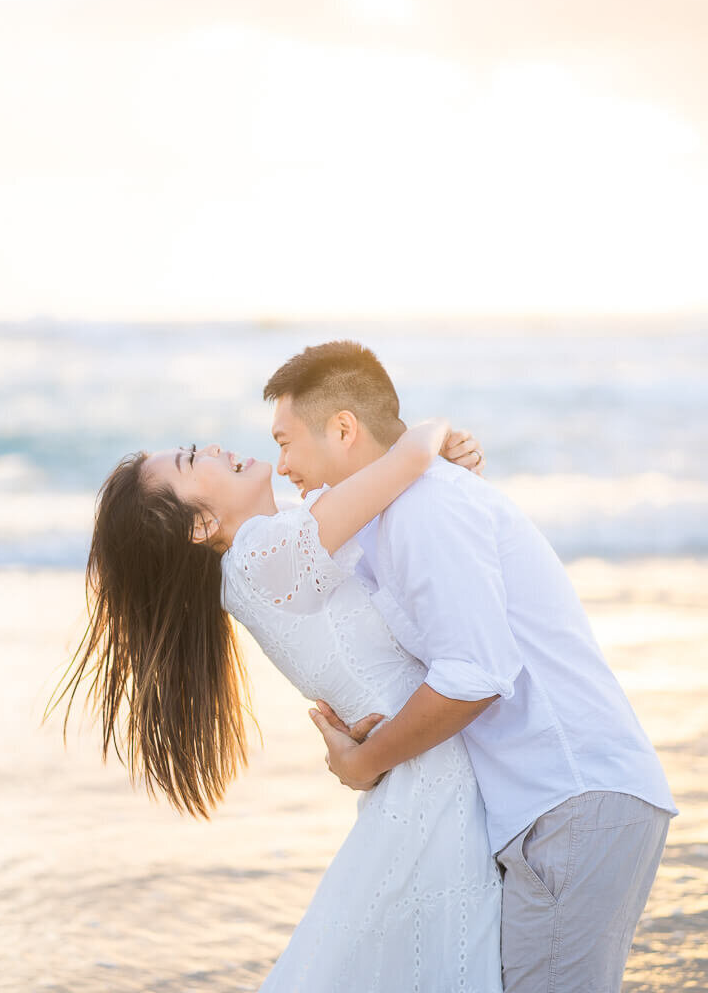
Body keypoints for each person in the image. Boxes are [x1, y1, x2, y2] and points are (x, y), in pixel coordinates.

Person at [262, 339, 678, 993]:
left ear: (342, 427)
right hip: (556, 806)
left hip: (569, 799)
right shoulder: (400, 512)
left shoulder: (425, 507)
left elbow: (475, 677)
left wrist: (365, 763)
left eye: (285, 440)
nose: (280, 463)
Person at [54, 419, 503, 991]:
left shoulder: (277, 553)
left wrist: (441, 466)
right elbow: (401, 464)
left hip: (423, 769)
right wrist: (433, 434)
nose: (214, 447)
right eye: (194, 459)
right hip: (435, 776)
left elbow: (407, 512)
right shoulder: (260, 558)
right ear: (201, 525)